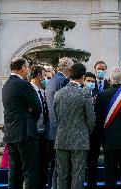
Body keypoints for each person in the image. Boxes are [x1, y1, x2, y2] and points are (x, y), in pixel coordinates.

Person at [2, 57, 42, 189]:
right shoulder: (24, 84)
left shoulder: (6, 85)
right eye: (27, 67)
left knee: (14, 173)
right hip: (25, 133)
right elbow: (37, 107)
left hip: (11, 134)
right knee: (30, 172)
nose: (28, 70)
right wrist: (30, 117)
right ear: (23, 68)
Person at [54, 63, 95, 189]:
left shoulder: (58, 94)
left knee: (62, 175)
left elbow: (57, 115)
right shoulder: (85, 94)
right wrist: (84, 131)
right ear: (83, 77)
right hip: (79, 139)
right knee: (78, 174)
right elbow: (91, 120)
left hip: (61, 138)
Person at [45, 57, 74, 189]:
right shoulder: (63, 81)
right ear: (68, 68)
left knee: (54, 166)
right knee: (61, 167)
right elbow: (66, 106)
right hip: (60, 130)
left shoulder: (52, 80)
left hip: (51, 129)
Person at [87, 61, 110, 189]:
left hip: (107, 128)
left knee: (109, 160)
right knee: (92, 161)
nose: (100, 70)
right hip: (93, 129)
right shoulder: (90, 85)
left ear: (106, 70)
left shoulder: (109, 85)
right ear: (95, 70)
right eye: (98, 69)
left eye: (103, 68)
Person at [29, 65, 49, 189]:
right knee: (33, 168)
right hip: (33, 134)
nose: (46, 79)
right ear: (39, 76)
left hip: (43, 134)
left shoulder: (43, 92)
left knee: (43, 167)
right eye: (45, 76)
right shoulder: (29, 89)